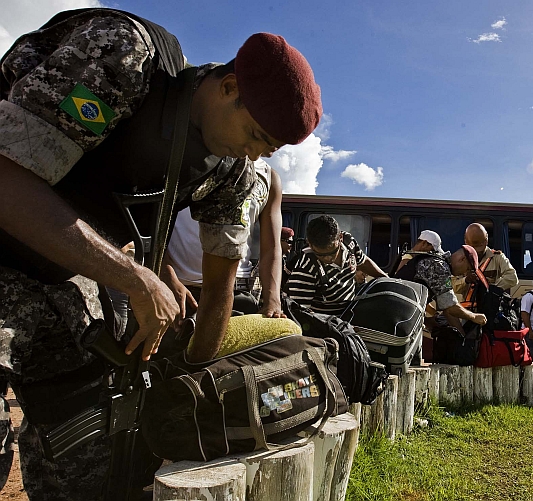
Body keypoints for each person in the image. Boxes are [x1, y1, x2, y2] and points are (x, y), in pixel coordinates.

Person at [0, 9, 321, 500]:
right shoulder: (123, 57)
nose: (256, 155)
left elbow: (218, 293)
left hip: (64, 274)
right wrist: (135, 277)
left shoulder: (235, 173)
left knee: (90, 455)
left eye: (269, 150)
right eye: (256, 135)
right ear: (228, 87)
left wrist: (189, 376)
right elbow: (8, 180)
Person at [162, 159, 284, 318]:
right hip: (181, 288)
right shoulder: (190, 157)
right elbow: (150, 227)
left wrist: (273, 299)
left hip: (237, 291)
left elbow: (272, 247)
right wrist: (165, 276)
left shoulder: (269, 177)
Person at [286, 215, 388, 315]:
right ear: (310, 244)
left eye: (332, 252)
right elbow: (300, 313)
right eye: (321, 254)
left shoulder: (349, 243)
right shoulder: (305, 268)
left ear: (340, 237)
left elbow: (363, 262)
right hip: (325, 323)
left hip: (351, 310)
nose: (328, 258)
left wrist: (386, 279)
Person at [394, 244, 488, 333]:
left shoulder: (439, 262)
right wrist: (474, 317)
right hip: (396, 316)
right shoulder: (439, 267)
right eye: (467, 269)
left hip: (399, 313)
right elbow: (450, 307)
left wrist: (461, 336)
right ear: (462, 259)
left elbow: (447, 309)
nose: (464, 274)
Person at [458, 223, 518, 292]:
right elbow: (452, 285)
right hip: (468, 302)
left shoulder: (497, 258)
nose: (478, 252)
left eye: (480, 247)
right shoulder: (461, 260)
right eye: (473, 248)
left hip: (490, 301)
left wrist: (492, 287)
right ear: (466, 243)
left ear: (486, 240)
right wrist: (465, 280)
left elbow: (513, 278)